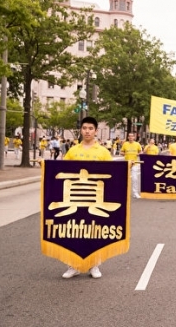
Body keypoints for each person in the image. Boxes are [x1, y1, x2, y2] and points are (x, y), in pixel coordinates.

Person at [62, 116, 112, 279]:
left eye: (90, 128)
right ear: (81, 130)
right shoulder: (73, 151)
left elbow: (113, 173)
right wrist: (44, 165)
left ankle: (94, 265)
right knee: (74, 231)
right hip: (75, 198)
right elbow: (60, 169)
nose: (87, 131)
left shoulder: (103, 152)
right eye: (84, 128)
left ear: (96, 131)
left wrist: (128, 167)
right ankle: (73, 265)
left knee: (94, 232)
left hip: (95, 199)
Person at [120, 133, 143, 199]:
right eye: (129, 136)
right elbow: (121, 152)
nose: (130, 137)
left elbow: (141, 152)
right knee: (125, 178)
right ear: (128, 137)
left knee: (135, 178)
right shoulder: (125, 144)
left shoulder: (137, 144)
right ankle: (124, 192)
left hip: (134, 163)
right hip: (126, 163)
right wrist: (124, 153)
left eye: (132, 136)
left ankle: (135, 193)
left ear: (134, 137)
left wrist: (139, 154)